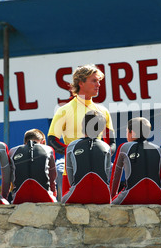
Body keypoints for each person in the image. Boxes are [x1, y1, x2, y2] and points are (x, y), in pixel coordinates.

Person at [48, 64, 116, 197]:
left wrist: (104, 154)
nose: (98, 85)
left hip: (99, 172)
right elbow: (52, 140)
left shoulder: (103, 111)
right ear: (81, 83)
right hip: (72, 172)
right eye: (94, 81)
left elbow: (111, 143)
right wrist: (73, 152)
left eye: (99, 81)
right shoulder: (64, 110)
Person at [62, 110, 112, 204]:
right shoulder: (106, 147)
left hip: (78, 195)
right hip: (103, 196)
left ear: (82, 125)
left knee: (63, 200)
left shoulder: (71, 146)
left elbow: (71, 179)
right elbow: (106, 175)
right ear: (101, 129)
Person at [110, 117, 161, 205]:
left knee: (109, 209)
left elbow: (116, 175)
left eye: (127, 131)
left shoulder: (124, 147)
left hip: (132, 195)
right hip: (156, 196)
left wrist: (111, 197)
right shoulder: (158, 149)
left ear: (132, 132)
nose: (126, 134)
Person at [8, 129, 57, 204]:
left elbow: (9, 177)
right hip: (45, 197)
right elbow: (52, 177)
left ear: (25, 142)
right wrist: (53, 191)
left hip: (19, 199)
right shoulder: (49, 149)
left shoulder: (12, 151)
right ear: (43, 141)